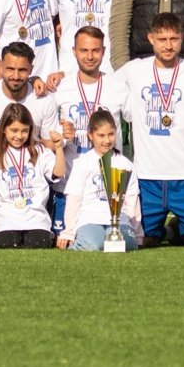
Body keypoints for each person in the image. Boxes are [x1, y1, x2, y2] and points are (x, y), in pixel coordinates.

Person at [114, 12, 184, 249]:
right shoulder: (133, 70)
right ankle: (169, 230)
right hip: (147, 177)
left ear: (182, 38)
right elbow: (100, 82)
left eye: (173, 39)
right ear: (150, 39)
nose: (168, 46)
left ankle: (177, 228)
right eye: (162, 39)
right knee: (142, 241)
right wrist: (61, 76)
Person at [0, 43, 62, 247]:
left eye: (22, 70)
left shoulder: (43, 99)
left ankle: (44, 219)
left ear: (31, 70)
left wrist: (60, 141)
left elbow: (49, 145)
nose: (15, 75)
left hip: (31, 168)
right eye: (10, 69)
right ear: (0, 67)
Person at [51, 26, 128, 234]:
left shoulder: (118, 86)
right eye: (84, 50)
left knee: (110, 240)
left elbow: (138, 122)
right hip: (69, 185)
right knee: (66, 240)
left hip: (107, 188)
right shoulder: (61, 87)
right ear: (74, 51)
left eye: (95, 50)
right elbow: (46, 131)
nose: (90, 56)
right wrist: (61, 132)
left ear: (104, 51)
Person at [0, 103, 67, 249]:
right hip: (6, 220)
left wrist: (59, 148)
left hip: (36, 219)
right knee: (7, 242)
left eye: (24, 131)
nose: (19, 136)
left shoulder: (39, 151)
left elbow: (58, 173)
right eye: (14, 130)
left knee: (38, 242)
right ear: (3, 129)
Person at [58, 110, 141, 252]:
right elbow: (74, 199)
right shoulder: (83, 163)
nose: (107, 140)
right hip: (91, 218)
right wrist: (69, 231)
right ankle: (80, 240)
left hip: (120, 220)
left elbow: (132, 201)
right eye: (101, 135)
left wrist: (138, 234)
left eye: (111, 134)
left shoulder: (126, 165)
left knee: (126, 244)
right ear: (90, 135)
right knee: (95, 245)